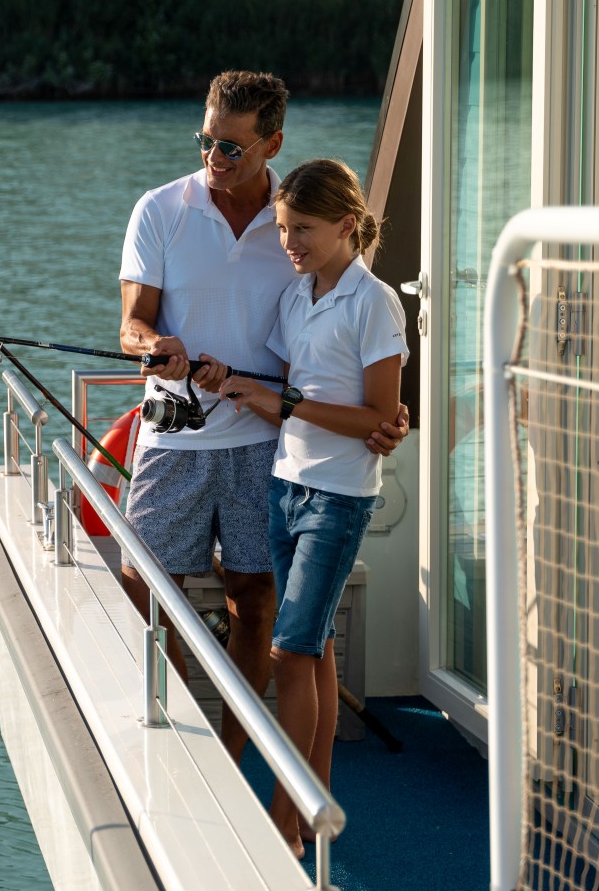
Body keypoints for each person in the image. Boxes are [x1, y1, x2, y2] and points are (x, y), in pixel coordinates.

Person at [117, 71, 407, 764]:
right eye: (207, 141)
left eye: (232, 148)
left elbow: (346, 333)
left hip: (272, 446)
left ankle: (231, 748)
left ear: (273, 141)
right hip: (174, 435)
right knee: (144, 584)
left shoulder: (296, 226)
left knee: (255, 594)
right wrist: (155, 344)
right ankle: (181, 719)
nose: (214, 159)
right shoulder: (160, 210)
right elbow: (131, 323)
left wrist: (384, 415)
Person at [205, 158, 407, 857]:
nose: (290, 243)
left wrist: (283, 403)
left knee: (290, 651)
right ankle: (309, 806)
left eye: (304, 230)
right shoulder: (296, 299)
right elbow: (291, 395)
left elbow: (377, 415)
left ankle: (283, 820)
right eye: (285, 229)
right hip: (284, 486)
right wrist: (232, 383)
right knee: (314, 647)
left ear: (347, 225)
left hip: (339, 497)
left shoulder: (375, 302)